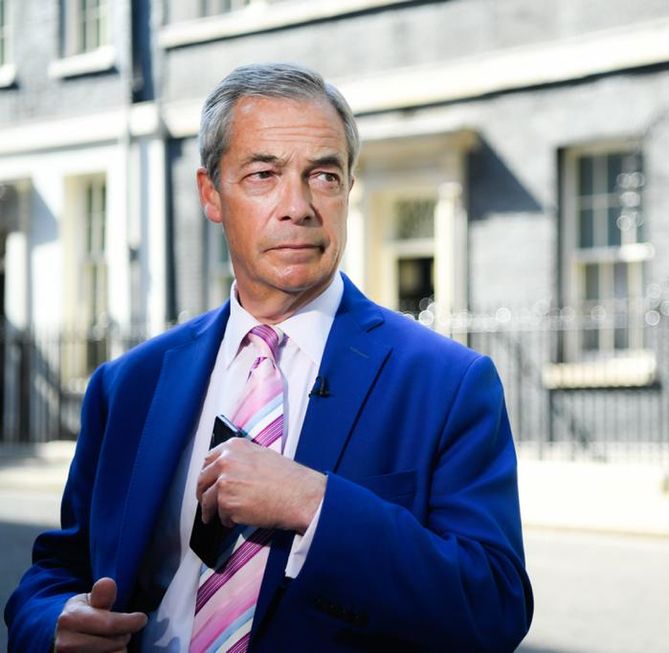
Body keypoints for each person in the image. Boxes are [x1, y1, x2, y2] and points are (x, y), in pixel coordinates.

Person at [4, 63, 533, 653]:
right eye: (263, 174)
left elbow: (494, 607)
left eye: (324, 176)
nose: (298, 206)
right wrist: (53, 622)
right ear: (211, 194)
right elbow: (55, 573)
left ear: (348, 189)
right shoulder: (129, 384)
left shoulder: (449, 383)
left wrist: (315, 503)